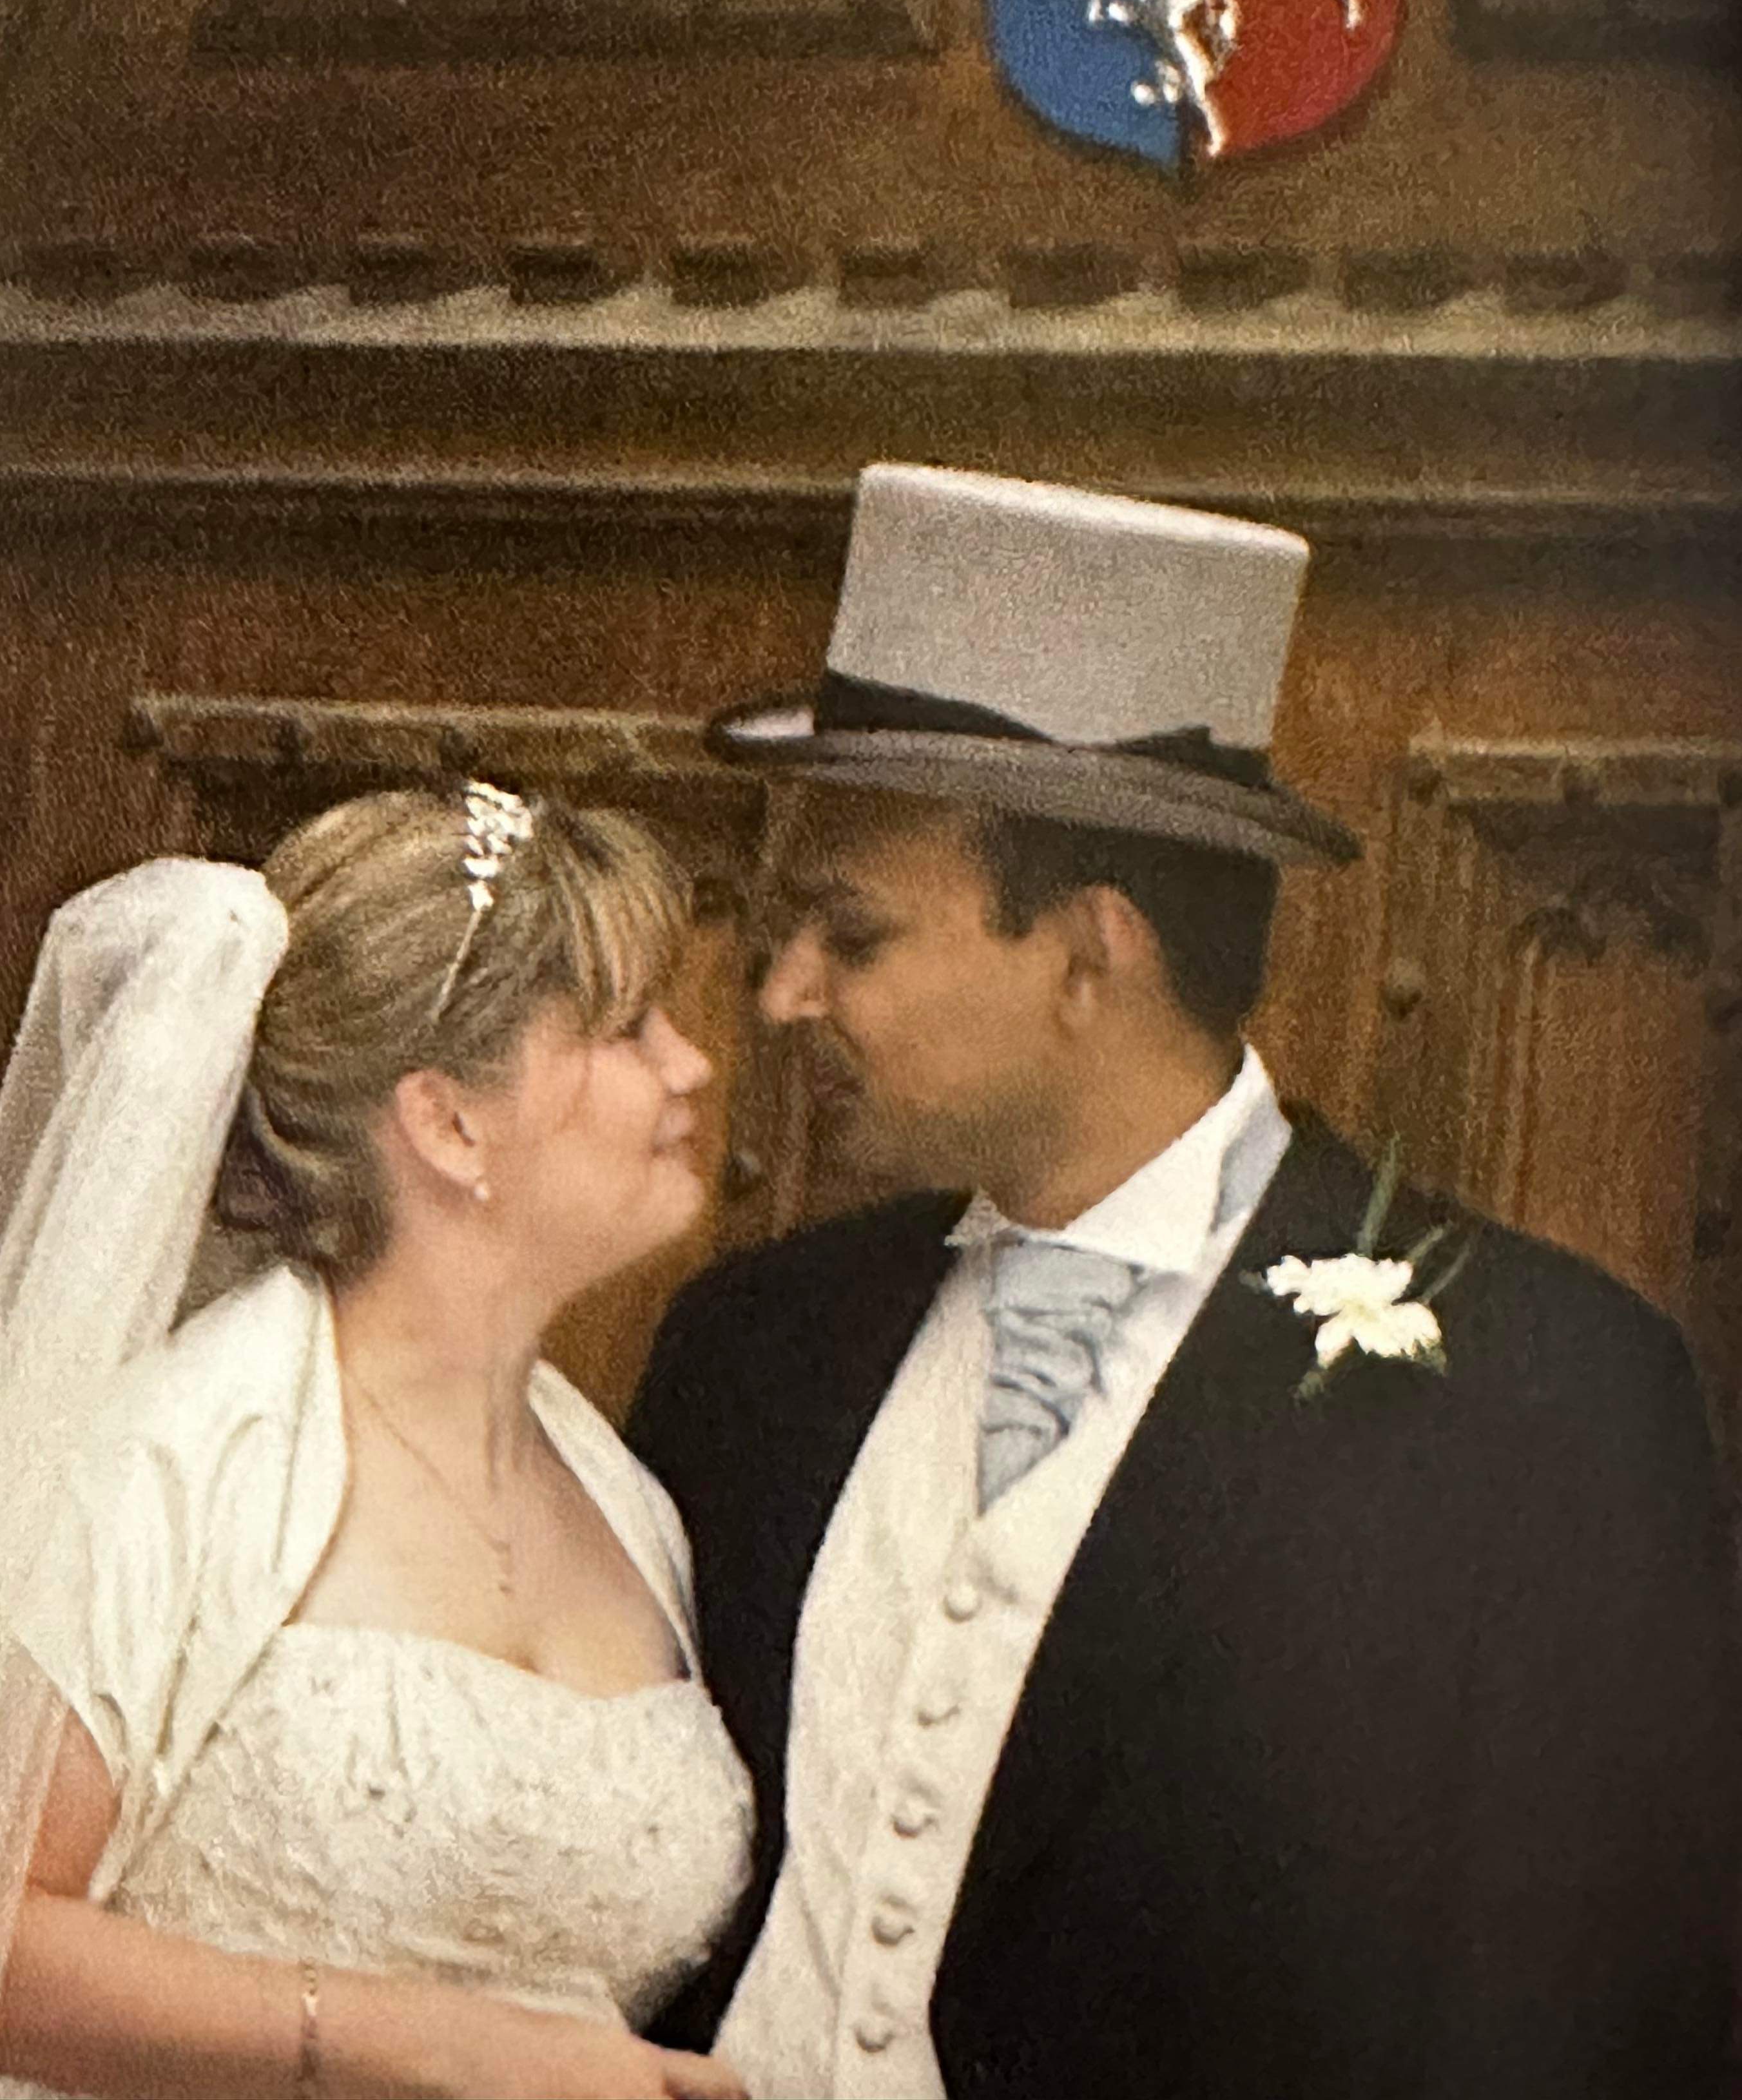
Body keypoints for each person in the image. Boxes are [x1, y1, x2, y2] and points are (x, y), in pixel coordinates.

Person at [628, 463, 1741, 2100]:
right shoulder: (754, 1344)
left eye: (849, 937)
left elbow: (1597, 2029)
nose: (780, 993)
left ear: (1090, 950)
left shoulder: (1546, 1400)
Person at [0, 784, 753, 2100]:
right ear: (448, 1121)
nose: (690, 1064)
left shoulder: (628, 1502)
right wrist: (421, 2044)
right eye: (627, 1028)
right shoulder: (173, 1463)